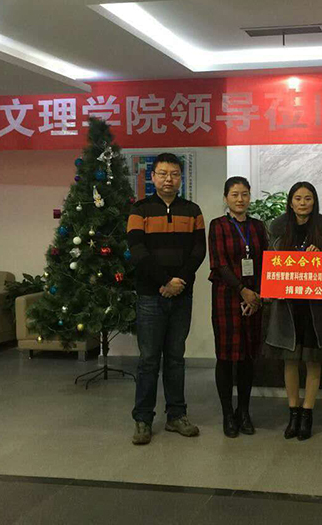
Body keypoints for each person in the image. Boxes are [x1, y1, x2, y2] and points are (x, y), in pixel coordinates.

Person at [127, 153, 206, 445]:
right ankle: (143, 420)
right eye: (162, 174)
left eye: (174, 174)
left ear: (180, 178)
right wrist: (164, 282)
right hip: (150, 296)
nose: (168, 179)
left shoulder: (193, 211)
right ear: (153, 177)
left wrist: (178, 282)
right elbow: (137, 251)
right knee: (148, 360)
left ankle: (176, 416)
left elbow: (198, 251)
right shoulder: (139, 210)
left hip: (181, 295)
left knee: (175, 359)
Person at [264, 182, 322, 441]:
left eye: (308, 198)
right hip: (287, 305)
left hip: (314, 306)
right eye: (298, 198)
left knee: (313, 360)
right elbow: (270, 264)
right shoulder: (277, 229)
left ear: (314, 201)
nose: (303, 203)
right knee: (290, 360)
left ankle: (307, 413)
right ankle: (293, 412)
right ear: (290, 202)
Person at [208, 177, 268, 438]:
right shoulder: (218, 225)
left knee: (247, 357)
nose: (240, 199)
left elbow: (265, 260)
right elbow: (219, 263)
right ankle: (227, 414)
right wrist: (242, 290)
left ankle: (243, 411)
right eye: (234, 194)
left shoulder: (257, 226)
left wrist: (258, 294)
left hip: (254, 297)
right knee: (225, 357)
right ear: (226, 198)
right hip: (227, 296)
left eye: (244, 194)